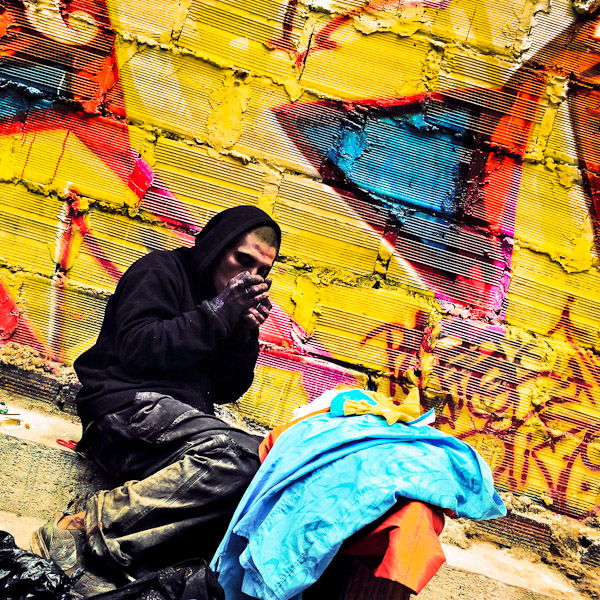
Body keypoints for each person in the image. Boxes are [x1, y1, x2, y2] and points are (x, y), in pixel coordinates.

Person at [30, 205, 282, 595]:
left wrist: (242, 337)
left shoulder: (227, 305)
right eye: (242, 260)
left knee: (264, 466)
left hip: (173, 425)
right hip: (123, 408)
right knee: (242, 456)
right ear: (216, 247)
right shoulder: (160, 271)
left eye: (262, 271)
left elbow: (227, 388)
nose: (250, 276)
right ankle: (81, 531)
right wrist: (219, 313)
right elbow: (137, 351)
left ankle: (125, 562)